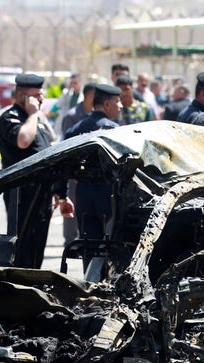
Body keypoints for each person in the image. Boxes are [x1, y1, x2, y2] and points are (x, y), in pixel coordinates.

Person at [0, 73, 74, 266]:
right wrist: (32, 114)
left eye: (42, 95)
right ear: (22, 95)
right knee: (22, 246)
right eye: (37, 95)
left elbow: (48, 156)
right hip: (22, 195)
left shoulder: (38, 121)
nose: (41, 99)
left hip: (42, 193)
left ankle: (33, 281)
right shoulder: (10, 117)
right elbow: (23, 141)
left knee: (37, 246)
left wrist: (60, 194)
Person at [64, 84, 123, 268]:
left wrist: (60, 194)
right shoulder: (116, 131)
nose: (120, 105)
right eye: (117, 101)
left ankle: (89, 285)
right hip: (109, 195)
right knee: (112, 244)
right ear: (106, 104)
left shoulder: (75, 130)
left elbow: (61, 161)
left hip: (83, 194)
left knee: (89, 243)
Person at [58, 82, 97, 245]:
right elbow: (67, 147)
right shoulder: (72, 116)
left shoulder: (96, 117)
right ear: (89, 96)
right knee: (71, 211)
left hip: (89, 177)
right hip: (74, 175)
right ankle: (70, 243)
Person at [50, 73, 83, 137]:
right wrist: (68, 90)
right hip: (64, 126)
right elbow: (58, 104)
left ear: (80, 83)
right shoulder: (66, 94)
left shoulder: (83, 97)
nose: (73, 85)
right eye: (71, 83)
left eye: (75, 83)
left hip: (76, 126)